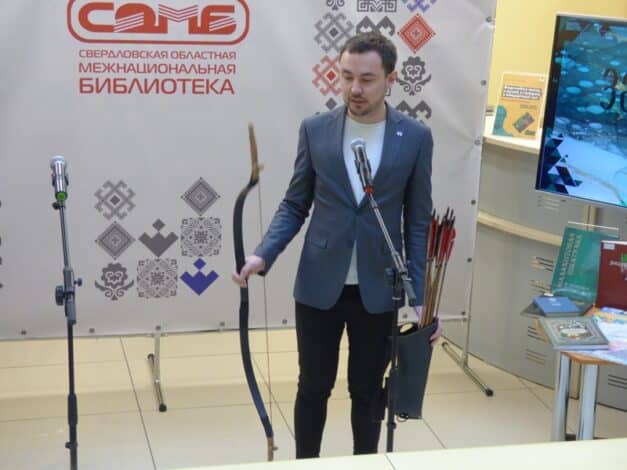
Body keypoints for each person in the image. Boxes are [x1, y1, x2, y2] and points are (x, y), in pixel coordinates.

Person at [232, 32, 442, 458]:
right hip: (319, 284)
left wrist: (420, 297)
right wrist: (263, 253)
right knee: (313, 386)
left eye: (366, 79)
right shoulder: (316, 130)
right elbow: (295, 204)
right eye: (346, 77)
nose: (354, 88)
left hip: (379, 288)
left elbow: (418, 222)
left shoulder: (416, 137)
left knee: (367, 390)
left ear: (390, 80)